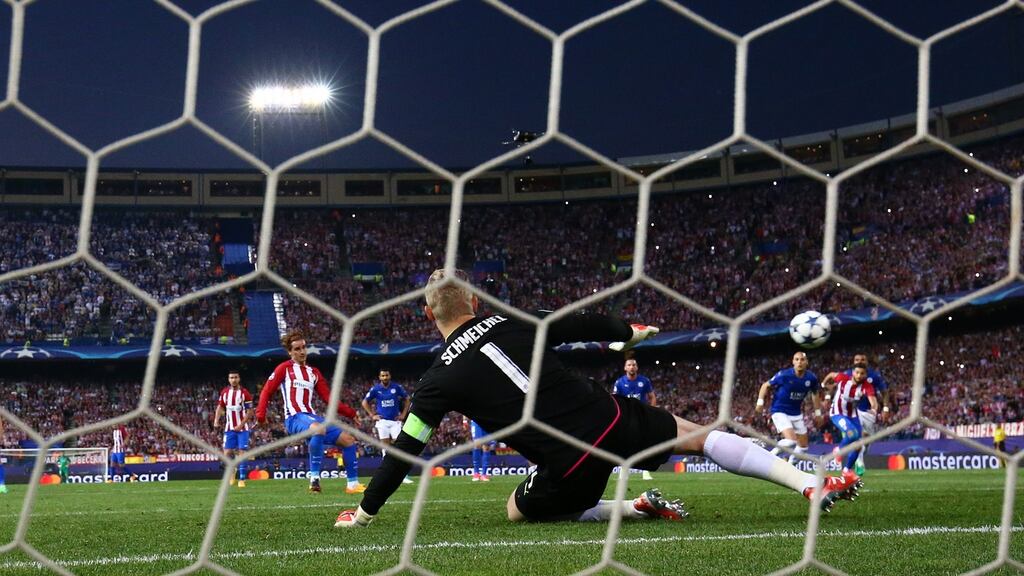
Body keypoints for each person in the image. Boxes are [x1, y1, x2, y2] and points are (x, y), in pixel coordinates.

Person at [335, 269, 860, 528]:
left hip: (568, 460)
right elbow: (575, 321)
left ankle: (630, 509)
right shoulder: (514, 321)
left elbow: (406, 450)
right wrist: (626, 331)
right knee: (701, 438)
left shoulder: (434, 381)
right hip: (609, 416)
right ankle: (807, 483)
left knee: (517, 510)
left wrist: (365, 511)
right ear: (474, 301)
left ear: (431, 316)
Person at [256, 331, 365, 494]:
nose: (302, 352)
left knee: (349, 440)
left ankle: (353, 485)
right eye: (297, 349)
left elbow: (329, 400)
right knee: (318, 428)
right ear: (290, 352)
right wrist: (261, 415)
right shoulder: (284, 368)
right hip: (294, 418)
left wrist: (351, 413)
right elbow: (266, 391)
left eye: (304, 347)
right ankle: (314, 479)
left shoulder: (314, 372)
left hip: (311, 417)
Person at [755, 351, 823, 466]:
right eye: (796, 359)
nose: (799, 362)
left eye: (802, 360)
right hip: (779, 410)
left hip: (796, 413)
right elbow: (765, 385)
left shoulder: (811, 378)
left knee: (804, 447)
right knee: (791, 441)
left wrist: (818, 413)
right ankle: (768, 457)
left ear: (807, 362)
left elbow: (815, 394)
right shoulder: (784, 375)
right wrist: (760, 403)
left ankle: (790, 466)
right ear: (793, 362)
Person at [822, 363, 878, 478]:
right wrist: (823, 384)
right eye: (857, 372)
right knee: (852, 433)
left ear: (865, 375)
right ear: (853, 372)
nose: (859, 375)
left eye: (862, 373)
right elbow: (832, 374)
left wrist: (874, 409)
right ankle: (838, 450)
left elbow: (873, 400)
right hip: (837, 413)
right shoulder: (843, 378)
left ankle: (846, 470)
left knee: (858, 445)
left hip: (853, 415)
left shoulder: (866, 386)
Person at [361, 369, 413, 485]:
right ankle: (387, 475)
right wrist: (372, 415)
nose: (385, 377)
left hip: (395, 421)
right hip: (383, 422)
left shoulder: (397, 387)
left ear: (390, 376)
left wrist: (404, 414)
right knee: (386, 448)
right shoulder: (375, 389)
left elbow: (408, 399)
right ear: (379, 377)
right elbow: (364, 402)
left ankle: (403, 476)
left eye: (387, 375)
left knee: (399, 447)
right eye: (383, 375)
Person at [844, 353, 891, 475]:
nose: (860, 361)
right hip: (853, 412)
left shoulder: (874, 376)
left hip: (870, 412)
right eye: (857, 359)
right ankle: (859, 462)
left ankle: (859, 456)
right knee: (859, 436)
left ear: (867, 361)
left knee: (867, 441)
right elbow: (836, 386)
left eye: (863, 359)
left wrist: (885, 409)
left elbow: (884, 392)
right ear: (854, 361)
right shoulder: (848, 374)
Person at [613, 356, 657, 480]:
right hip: (626, 417)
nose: (632, 367)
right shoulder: (619, 382)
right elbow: (615, 399)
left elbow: (652, 397)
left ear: (637, 367)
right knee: (624, 443)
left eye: (634, 365)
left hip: (642, 416)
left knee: (645, 443)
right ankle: (623, 470)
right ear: (625, 368)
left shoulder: (644, 381)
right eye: (629, 365)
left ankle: (645, 472)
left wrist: (652, 411)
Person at [214, 369, 253, 488]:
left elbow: (250, 411)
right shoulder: (225, 392)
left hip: (243, 428)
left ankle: (242, 479)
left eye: (235, 377)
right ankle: (232, 472)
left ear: (239, 379)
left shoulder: (245, 393)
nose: (233, 380)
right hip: (229, 428)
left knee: (242, 452)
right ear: (228, 379)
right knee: (227, 453)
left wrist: (241, 425)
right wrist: (216, 420)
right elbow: (220, 407)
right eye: (231, 377)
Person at [464, 416, 495, 481]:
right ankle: (476, 473)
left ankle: (484, 474)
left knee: (486, 447)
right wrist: (464, 420)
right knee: (477, 444)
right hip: (476, 422)